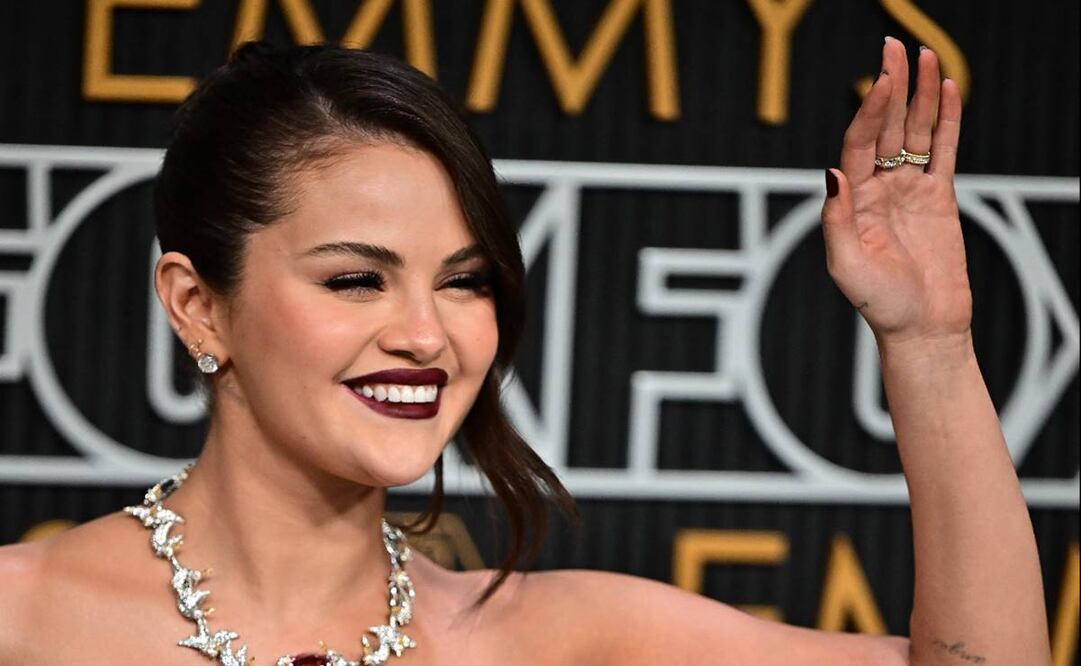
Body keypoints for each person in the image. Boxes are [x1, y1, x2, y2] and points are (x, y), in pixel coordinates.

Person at [0, 37, 1052, 665]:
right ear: (199, 306)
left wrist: (928, 342)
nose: (425, 334)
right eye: (354, 278)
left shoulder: (552, 638)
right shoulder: (25, 615)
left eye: (463, 281)